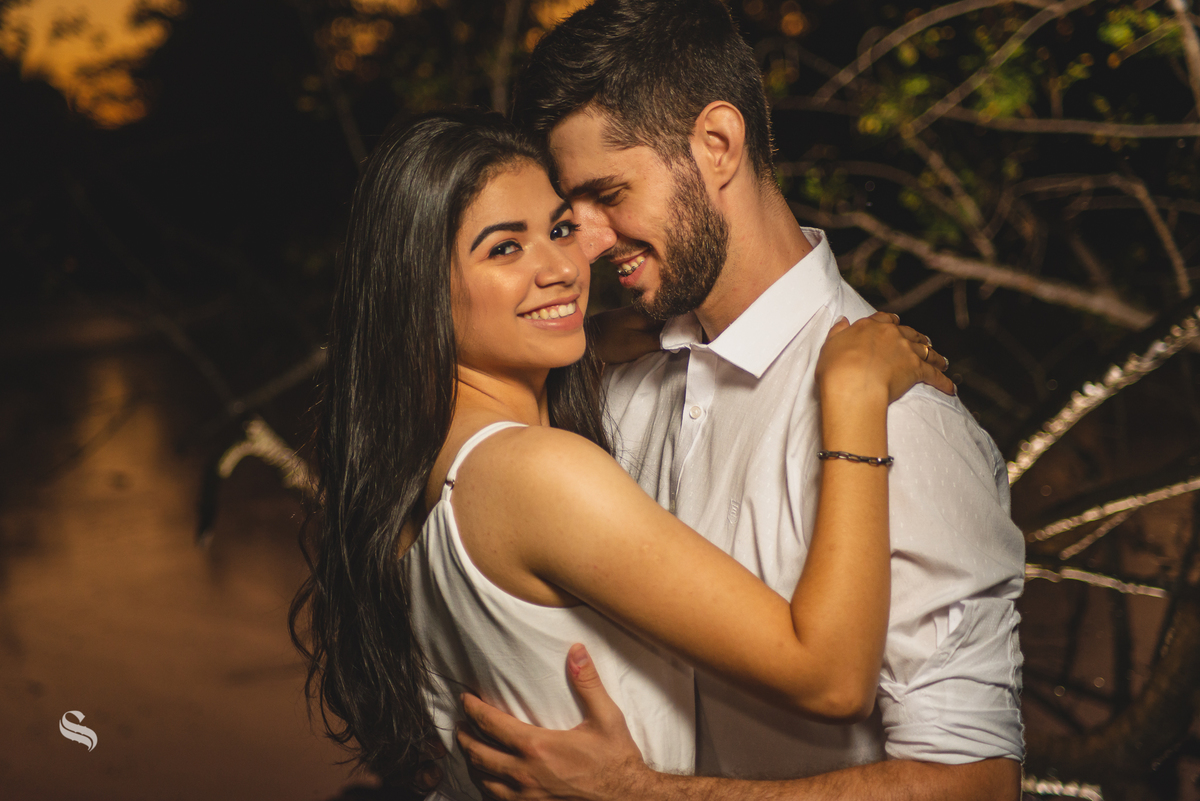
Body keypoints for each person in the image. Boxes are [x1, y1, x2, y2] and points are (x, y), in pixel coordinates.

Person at [288, 108, 954, 801]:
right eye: (504, 249)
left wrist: (589, 335)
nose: (562, 268)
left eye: (560, 229)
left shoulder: (417, 460)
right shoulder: (537, 474)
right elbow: (831, 676)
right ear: (420, 286)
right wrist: (852, 400)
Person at [455, 1, 1027, 799]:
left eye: (607, 193)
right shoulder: (612, 374)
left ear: (717, 144)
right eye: (566, 210)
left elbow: (974, 784)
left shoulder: (903, 417)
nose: (582, 242)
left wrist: (639, 794)